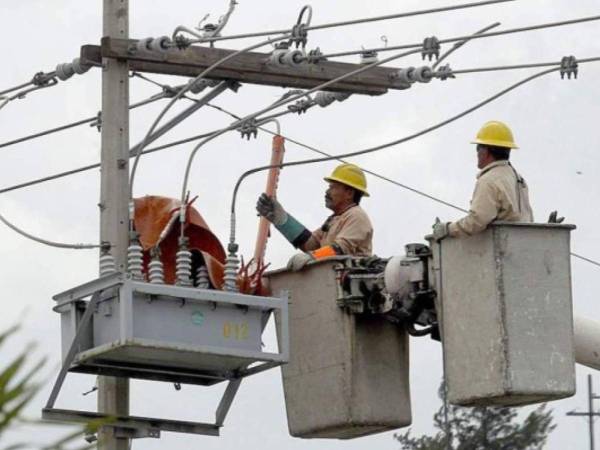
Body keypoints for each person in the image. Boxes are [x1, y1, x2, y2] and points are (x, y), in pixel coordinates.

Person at [256, 163, 373, 271]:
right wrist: (282, 219)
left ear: (349, 193)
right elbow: (311, 244)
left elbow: (340, 249)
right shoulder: (335, 219)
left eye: (333, 187)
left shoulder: (357, 216)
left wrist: (312, 257)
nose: (327, 192)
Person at [433, 120, 534, 240]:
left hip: (499, 250)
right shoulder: (518, 178)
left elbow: (476, 221)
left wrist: (447, 229)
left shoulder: (489, 181)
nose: (477, 153)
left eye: (478, 148)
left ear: (486, 151)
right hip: (521, 245)